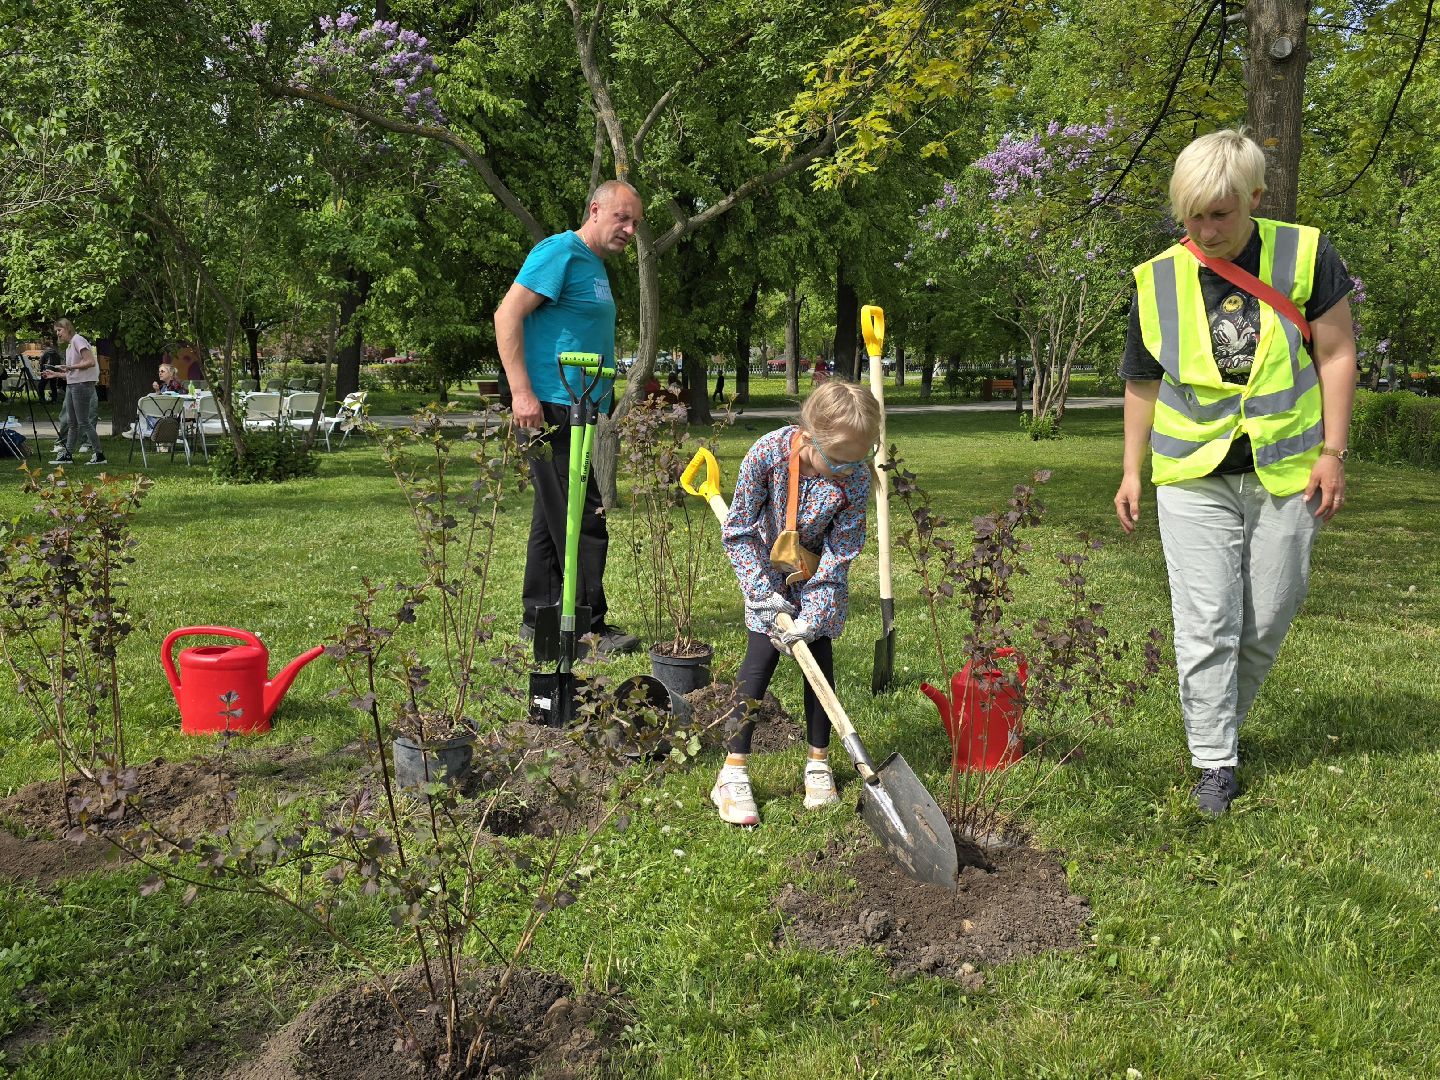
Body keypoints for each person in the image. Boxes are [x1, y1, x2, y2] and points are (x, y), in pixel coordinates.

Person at [1113, 130, 1356, 816]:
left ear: (1255, 198)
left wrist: (1333, 453)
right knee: (1206, 620)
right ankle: (1214, 758)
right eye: (1193, 215)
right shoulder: (1157, 277)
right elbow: (1142, 381)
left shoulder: (1305, 253)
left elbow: (1336, 354)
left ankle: (1217, 721)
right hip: (1192, 469)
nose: (1206, 229)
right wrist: (1133, 471)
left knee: (1269, 614)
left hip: (1289, 466)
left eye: (1220, 213)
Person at [712, 380, 882, 825]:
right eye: (839, 461)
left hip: (816, 576)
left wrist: (814, 612)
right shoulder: (767, 454)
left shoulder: (856, 478)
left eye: (858, 460)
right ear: (809, 438)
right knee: (760, 659)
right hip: (765, 570)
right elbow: (739, 529)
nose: (848, 470)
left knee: (819, 658)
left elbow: (841, 550)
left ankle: (819, 762)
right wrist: (761, 593)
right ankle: (732, 771)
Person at [493, 179, 645, 656]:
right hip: (552, 405)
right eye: (622, 217)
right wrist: (522, 393)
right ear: (595, 210)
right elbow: (507, 315)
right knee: (585, 517)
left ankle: (537, 615)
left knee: (552, 515)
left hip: (579, 405)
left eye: (635, 223)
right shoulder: (559, 252)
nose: (628, 229)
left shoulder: (595, 266)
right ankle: (587, 627)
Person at [44, 319, 106, 466]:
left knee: (83, 421)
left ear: (67, 328)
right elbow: (74, 372)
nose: (58, 334)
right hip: (74, 385)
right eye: (56, 331)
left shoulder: (78, 340)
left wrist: (71, 367)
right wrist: (56, 375)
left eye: (59, 330)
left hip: (82, 386)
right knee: (72, 423)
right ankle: (68, 454)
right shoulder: (71, 345)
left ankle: (99, 455)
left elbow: (90, 361)